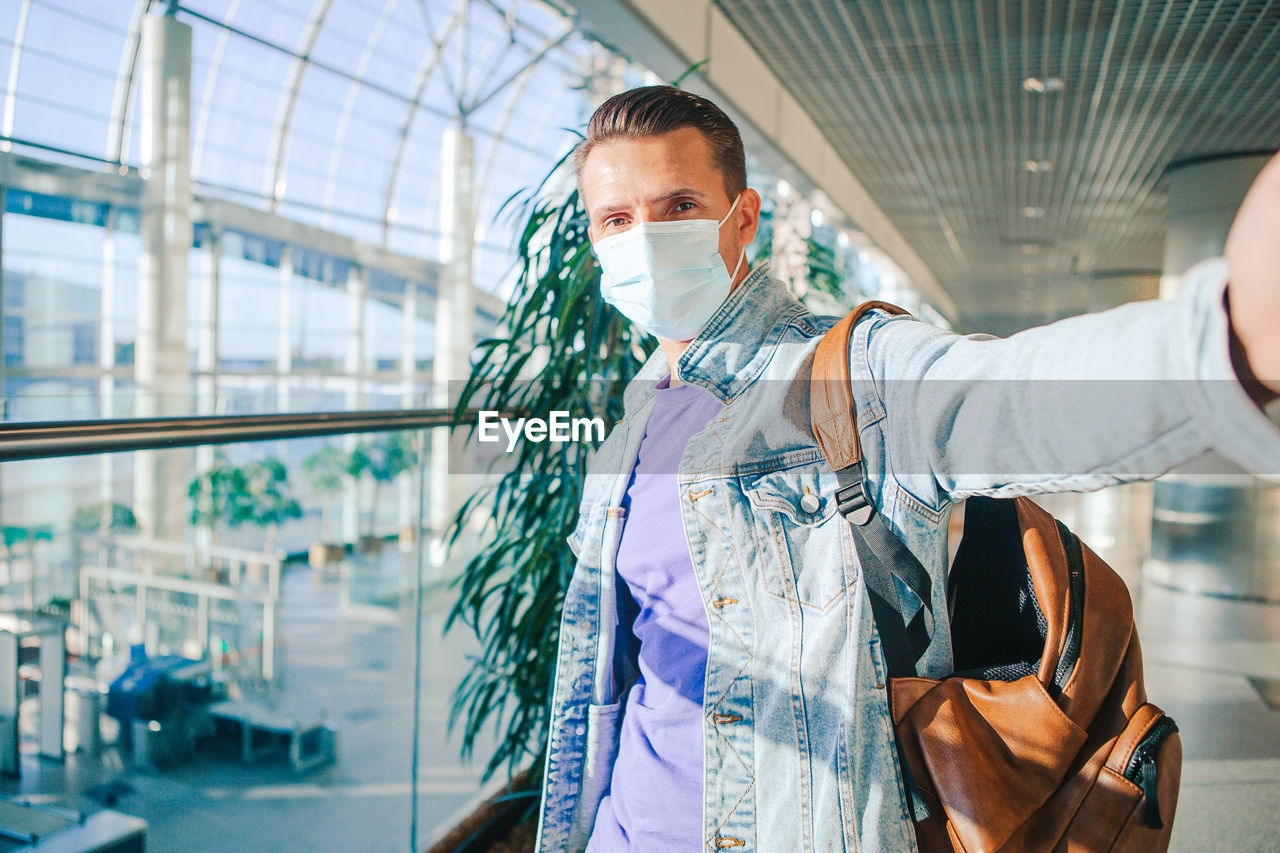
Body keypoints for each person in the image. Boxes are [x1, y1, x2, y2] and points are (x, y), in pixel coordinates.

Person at [532, 85, 1280, 852]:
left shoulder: (850, 371)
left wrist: (1225, 342)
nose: (645, 239)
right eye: (616, 220)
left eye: (680, 205)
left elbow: (1012, 396)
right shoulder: (635, 416)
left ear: (744, 218)